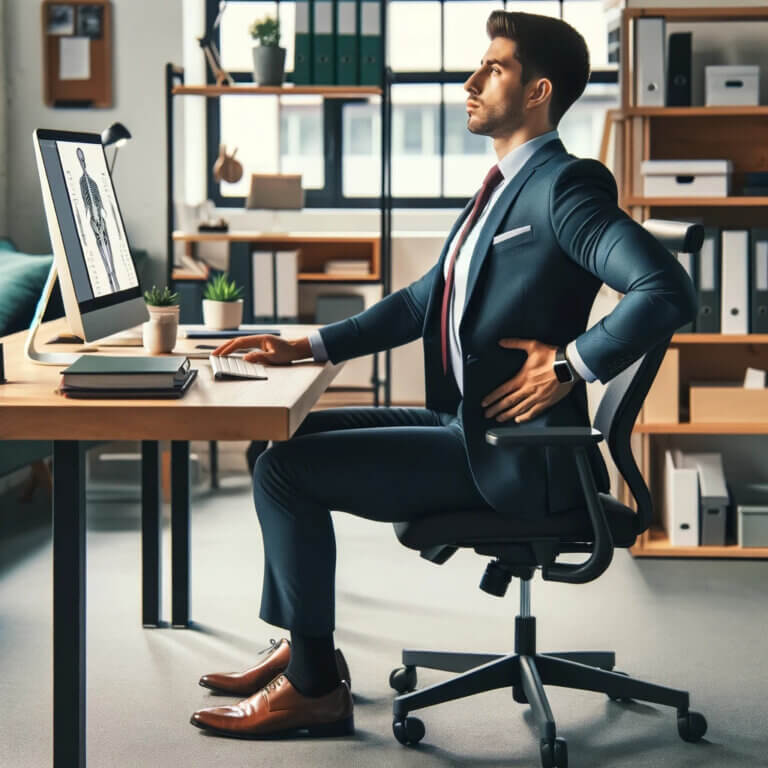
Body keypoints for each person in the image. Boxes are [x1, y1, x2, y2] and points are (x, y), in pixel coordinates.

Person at [190, 10, 696, 740]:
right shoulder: (501, 188)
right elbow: (421, 302)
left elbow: (664, 289)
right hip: (466, 425)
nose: (471, 80)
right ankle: (306, 649)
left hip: (516, 454)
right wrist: (306, 347)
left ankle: (314, 688)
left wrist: (568, 364)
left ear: (537, 92)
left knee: (284, 474)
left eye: (494, 68)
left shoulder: (566, 187)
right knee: (281, 443)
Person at [76, 146, 119, 293]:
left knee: (106, 239)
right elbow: (85, 202)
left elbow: (98, 199)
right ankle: (108, 272)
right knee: (99, 240)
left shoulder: (92, 181)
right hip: (93, 219)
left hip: (100, 216)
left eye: (82, 159)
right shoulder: (81, 181)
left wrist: (101, 211)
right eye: (80, 160)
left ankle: (113, 271)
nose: (82, 162)